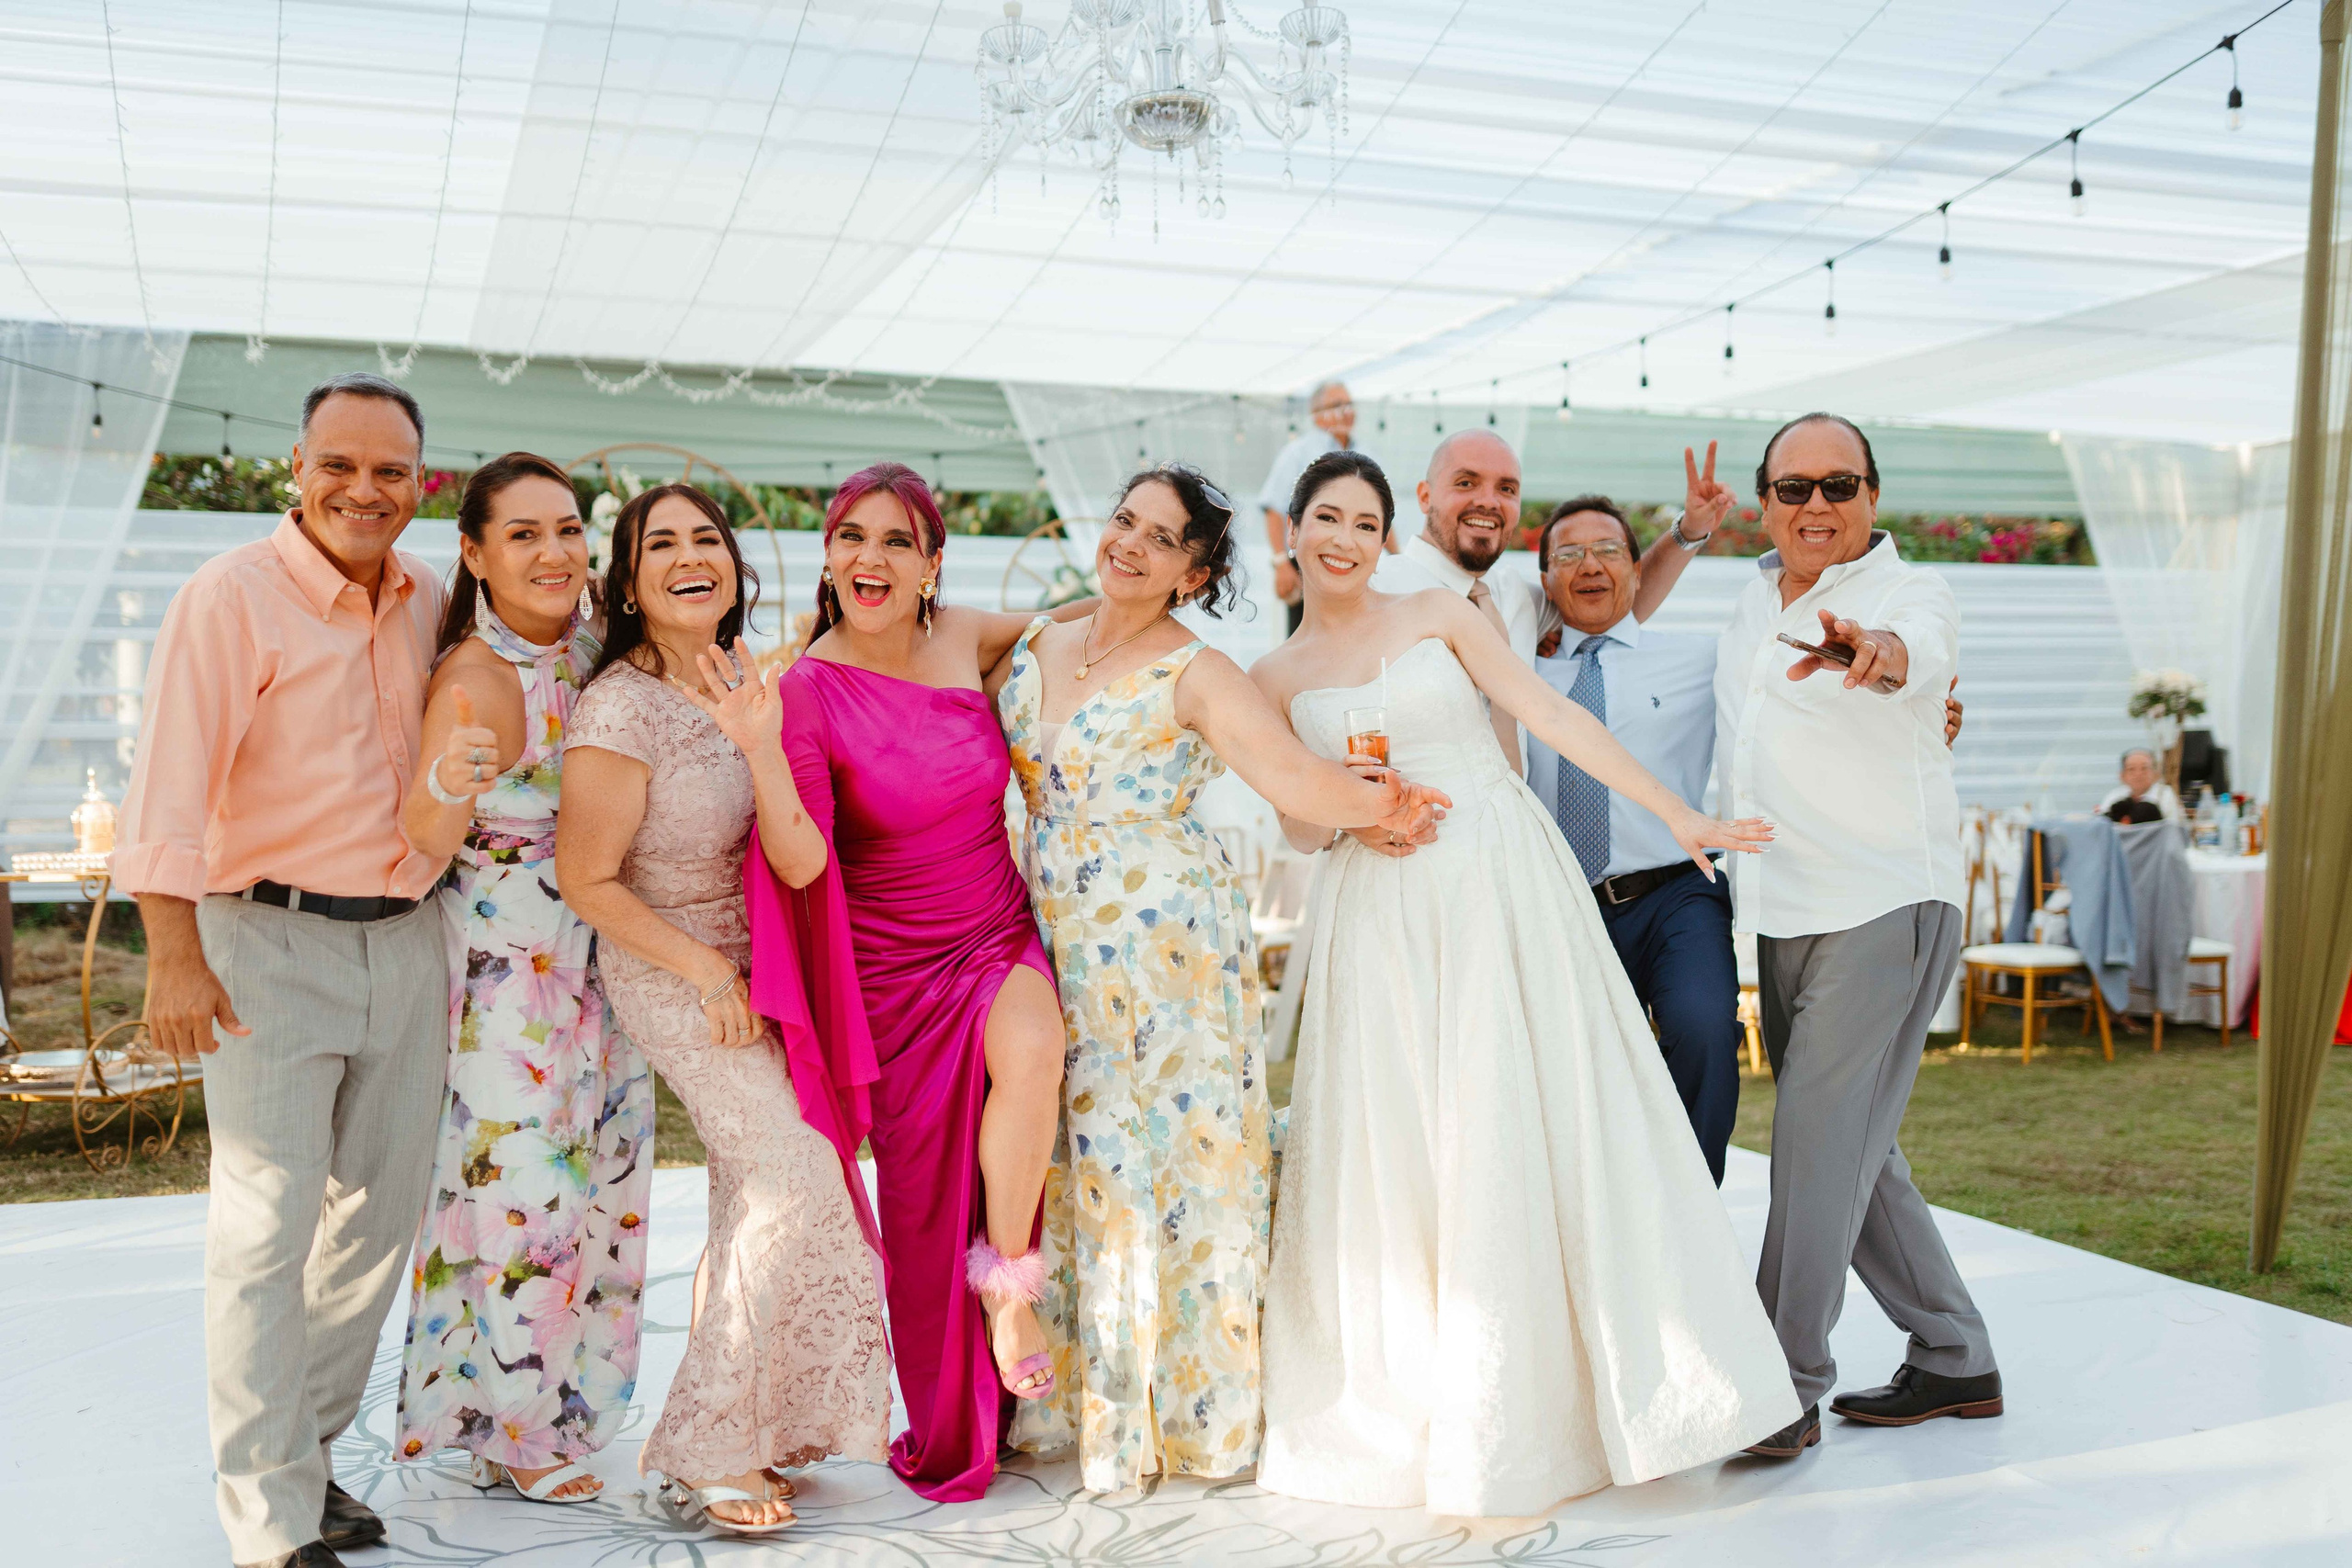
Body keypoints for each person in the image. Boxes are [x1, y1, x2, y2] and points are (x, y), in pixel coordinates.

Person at [1250, 449, 1798, 1517]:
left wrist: (1679, 814)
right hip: (1383, 908)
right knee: (1411, 1134)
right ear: (1295, 529)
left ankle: (1596, 1391)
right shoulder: (1269, 682)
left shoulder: (1441, 615)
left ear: (1386, 533)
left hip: (1498, 877)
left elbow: (1554, 723)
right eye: (1326, 518)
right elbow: (1298, 829)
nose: (1344, 540)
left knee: (1527, 1117)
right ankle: (1430, 1391)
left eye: (1364, 523)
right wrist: (1346, 798)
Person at [990, 463, 1444, 1494]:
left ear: (1193, 571)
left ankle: (1186, 1411)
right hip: (1045, 927)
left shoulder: (1197, 670)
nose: (1131, 546)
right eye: (1124, 522)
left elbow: (1291, 778)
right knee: (1069, 1148)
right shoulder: (1035, 642)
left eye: (1162, 539)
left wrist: (1388, 804)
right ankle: (1073, 1396)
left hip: (1167, 949)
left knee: (1166, 1155)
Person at [115, 373, 448, 1568]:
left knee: (377, 1216)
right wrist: (174, 958)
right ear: (295, 469)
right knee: (265, 1227)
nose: (365, 488)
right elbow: (167, 781)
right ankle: (266, 1511)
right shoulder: (231, 598)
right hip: (264, 938)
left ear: (423, 483)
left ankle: (302, 1458)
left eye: (392, 470)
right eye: (340, 465)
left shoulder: (428, 596)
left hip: (410, 938)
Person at [741, 461, 1097, 1502]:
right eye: (853, 536)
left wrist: (1138, 578)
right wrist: (759, 748)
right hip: (893, 976)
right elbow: (802, 861)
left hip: (995, 931)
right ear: (828, 557)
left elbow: (1080, 618)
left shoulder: (968, 638)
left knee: (1035, 1049)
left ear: (932, 563)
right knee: (924, 1210)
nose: (872, 558)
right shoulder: (804, 688)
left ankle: (1010, 1289)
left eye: (897, 541)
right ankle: (954, 1412)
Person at [557, 483, 892, 1536]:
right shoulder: (618, 705)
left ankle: (770, 1428)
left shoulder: (756, 680)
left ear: (736, 567)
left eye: (708, 539)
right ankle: (701, 1446)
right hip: (673, 967)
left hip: (773, 963)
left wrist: (759, 737)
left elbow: (799, 853)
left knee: (780, 1180)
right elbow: (587, 877)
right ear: (627, 579)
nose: (690, 556)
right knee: (792, 1175)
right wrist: (704, 971)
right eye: (662, 544)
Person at [1521, 464, 1966, 1185]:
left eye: (1607, 550)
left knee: (1702, 1031)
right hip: (1561, 901)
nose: (1590, 566)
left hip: (1676, 891)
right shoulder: (1518, 674)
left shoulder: (1706, 656)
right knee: (1571, 1070)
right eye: (1567, 554)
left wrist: (1926, 711)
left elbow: (1791, 697)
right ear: (1544, 580)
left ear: (1637, 571)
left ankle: (1691, 1211)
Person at [1718, 412, 2000, 1462]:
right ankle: (1954, 1353)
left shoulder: (1908, 593)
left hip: (1886, 902)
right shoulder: (1747, 602)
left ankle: (1779, 1386)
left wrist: (1875, 658)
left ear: (1872, 498)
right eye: (1794, 490)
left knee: (1811, 1150)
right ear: (1766, 505)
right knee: (1853, 1151)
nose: (1816, 507)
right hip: (1782, 906)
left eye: (1839, 486)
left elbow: (1910, 658)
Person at [392, 454, 653, 1506]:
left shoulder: (590, 645)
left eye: (568, 530)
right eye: (523, 535)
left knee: (598, 1194)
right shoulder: (479, 675)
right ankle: (515, 1428)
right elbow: (422, 826)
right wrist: (447, 786)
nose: (554, 553)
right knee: (522, 1199)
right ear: (475, 553)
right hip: (513, 984)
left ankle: (544, 1411)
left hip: (595, 963)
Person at [1256, 380, 1379, 636]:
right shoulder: (1298, 452)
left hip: (1355, 562)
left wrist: (1397, 555)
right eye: (1337, 405)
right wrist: (1281, 564)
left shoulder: (1365, 452)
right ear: (1317, 414)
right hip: (1307, 565)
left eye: (1349, 404)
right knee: (1307, 637)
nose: (1346, 411)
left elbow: (1381, 513)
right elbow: (1274, 508)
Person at [2098, 747, 2182, 823]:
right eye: (2131, 769)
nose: (2138, 774)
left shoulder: (2165, 795)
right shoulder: (2114, 796)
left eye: (2144, 768)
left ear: (2156, 774)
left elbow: (2173, 830)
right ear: (2122, 776)